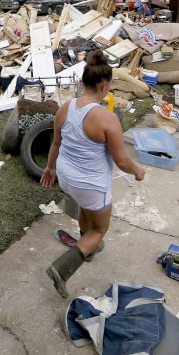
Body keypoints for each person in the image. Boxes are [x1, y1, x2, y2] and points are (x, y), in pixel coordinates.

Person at [40, 49, 146, 298]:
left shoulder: (65, 108)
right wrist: (138, 171)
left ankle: (87, 248)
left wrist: (49, 168)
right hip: (89, 183)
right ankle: (61, 269)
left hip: (66, 177)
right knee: (100, 230)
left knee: (87, 208)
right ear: (105, 86)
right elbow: (121, 161)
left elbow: (55, 144)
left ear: (82, 83)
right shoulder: (107, 119)